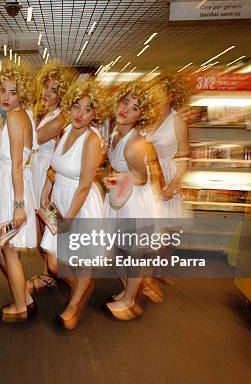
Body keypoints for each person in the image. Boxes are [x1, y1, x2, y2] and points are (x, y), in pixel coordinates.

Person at [40, 80, 107, 329]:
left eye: (87, 109)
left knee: (82, 259)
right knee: (54, 262)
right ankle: (81, 285)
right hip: (60, 199)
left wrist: (69, 219)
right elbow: (55, 166)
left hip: (81, 204)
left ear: (95, 113)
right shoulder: (66, 129)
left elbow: (85, 185)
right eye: (77, 107)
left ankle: (73, 307)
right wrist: (46, 190)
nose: (80, 114)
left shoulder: (91, 140)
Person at [101, 81, 160, 321]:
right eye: (125, 102)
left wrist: (117, 178)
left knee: (132, 252)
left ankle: (130, 300)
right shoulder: (116, 132)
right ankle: (130, 291)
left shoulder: (134, 145)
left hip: (133, 199)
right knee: (114, 249)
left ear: (141, 115)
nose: (126, 109)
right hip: (121, 194)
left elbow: (142, 177)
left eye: (135, 107)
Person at [0, 62, 38, 322]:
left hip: (12, 187)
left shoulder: (17, 117)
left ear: (22, 94)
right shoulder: (23, 114)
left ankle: (20, 306)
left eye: (12, 92)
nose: (6, 97)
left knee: (9, 251)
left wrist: (19, 204)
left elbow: (17, 163)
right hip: (11, 182)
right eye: (3, 91)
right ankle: (25, 298)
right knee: (7, 249)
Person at [142, 73, 192, 299]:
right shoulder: (145, 116)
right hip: (146, 177)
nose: (153, 94)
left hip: (166, 178)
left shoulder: (177, 121)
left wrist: (172, 186)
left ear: (170, 95)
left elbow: (184, 158)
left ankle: (153, 274)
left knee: (165, 231)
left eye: (158, 91)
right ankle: (148, 274)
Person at [27, 62, 75, 295]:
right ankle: (49, 274)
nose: (46, 92)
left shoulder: (59, 117)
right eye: (45, 86)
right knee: (43, 227)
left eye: (53, 89)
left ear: (62, 94)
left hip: (48, 175)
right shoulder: (47, 111)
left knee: (48, 227)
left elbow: (32, 139)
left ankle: (61, 276)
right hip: (39, 172)